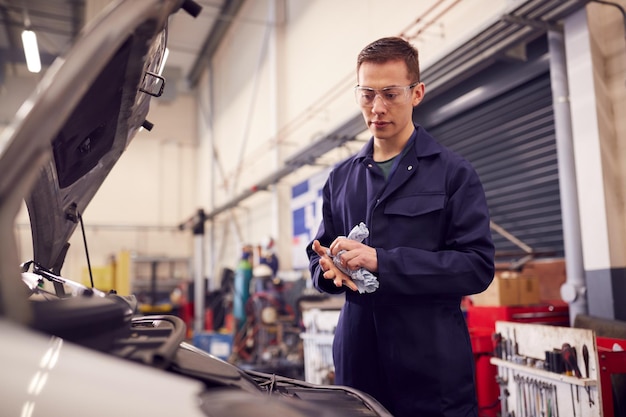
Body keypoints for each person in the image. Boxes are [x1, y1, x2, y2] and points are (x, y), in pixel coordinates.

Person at [306, 36, 495, 417]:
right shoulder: (340, 179)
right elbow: (319, 254)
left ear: (417, 92)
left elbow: (476, 266)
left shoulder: (452, 173)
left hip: (430, 366)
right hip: (359, 362)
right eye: (366, 94)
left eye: (391, 94)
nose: (377, 108)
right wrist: (328, 270)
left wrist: (383, 262)